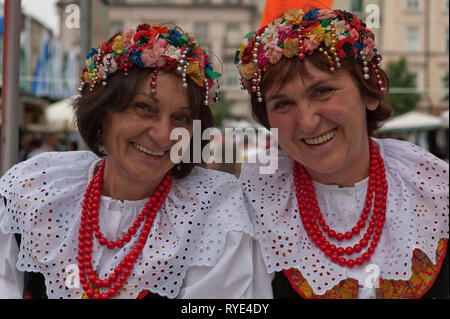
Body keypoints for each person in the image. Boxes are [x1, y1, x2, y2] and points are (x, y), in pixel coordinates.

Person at [0, 23, 271, 299]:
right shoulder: (34, 191)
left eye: (181, 118)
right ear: (103, 112)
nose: (164, 135)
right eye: (144, 108)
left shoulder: (214, 210)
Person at [235, 8, 449, 299]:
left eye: (322, 91)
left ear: (370, 92)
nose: (307, 121)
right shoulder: (250, 209)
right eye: (283, 104)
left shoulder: (435, 193)